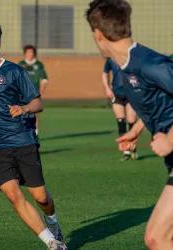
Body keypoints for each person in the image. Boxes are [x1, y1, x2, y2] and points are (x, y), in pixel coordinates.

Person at [0, 21, 66, 250]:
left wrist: (25, 109)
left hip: (21, 140)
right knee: (12, 194)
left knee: (41, 198)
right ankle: (52, 243)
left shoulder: (14, 72)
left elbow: (38, 102)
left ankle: (53, 221)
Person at [86, 0, 173, 248]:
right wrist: (136, 130)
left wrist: (169, 139)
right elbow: (157, 104)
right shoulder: (122, 68)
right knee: (159, 237)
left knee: (158, 237)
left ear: (98, 35)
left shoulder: (150, 63)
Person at [102, 57, 138, 161]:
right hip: (117, 94)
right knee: (121, 121)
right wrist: (107, 88)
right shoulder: (110, 59)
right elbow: (104, 73)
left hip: (131, 94)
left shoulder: (131, 57)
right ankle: (126, 151)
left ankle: (133, 147)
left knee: (131, 121)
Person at [18, 45, 48, 135]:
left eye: (31, 52)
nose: (30, 54)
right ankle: (21, 131)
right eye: (28, 52)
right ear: (24, 54)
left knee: (34, 112)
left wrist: (41, 92)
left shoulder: (39, 64)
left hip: (34, 93)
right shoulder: (21, 64)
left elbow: (44, 79)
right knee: (20, 111)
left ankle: (35, 131)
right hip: (21, 93)